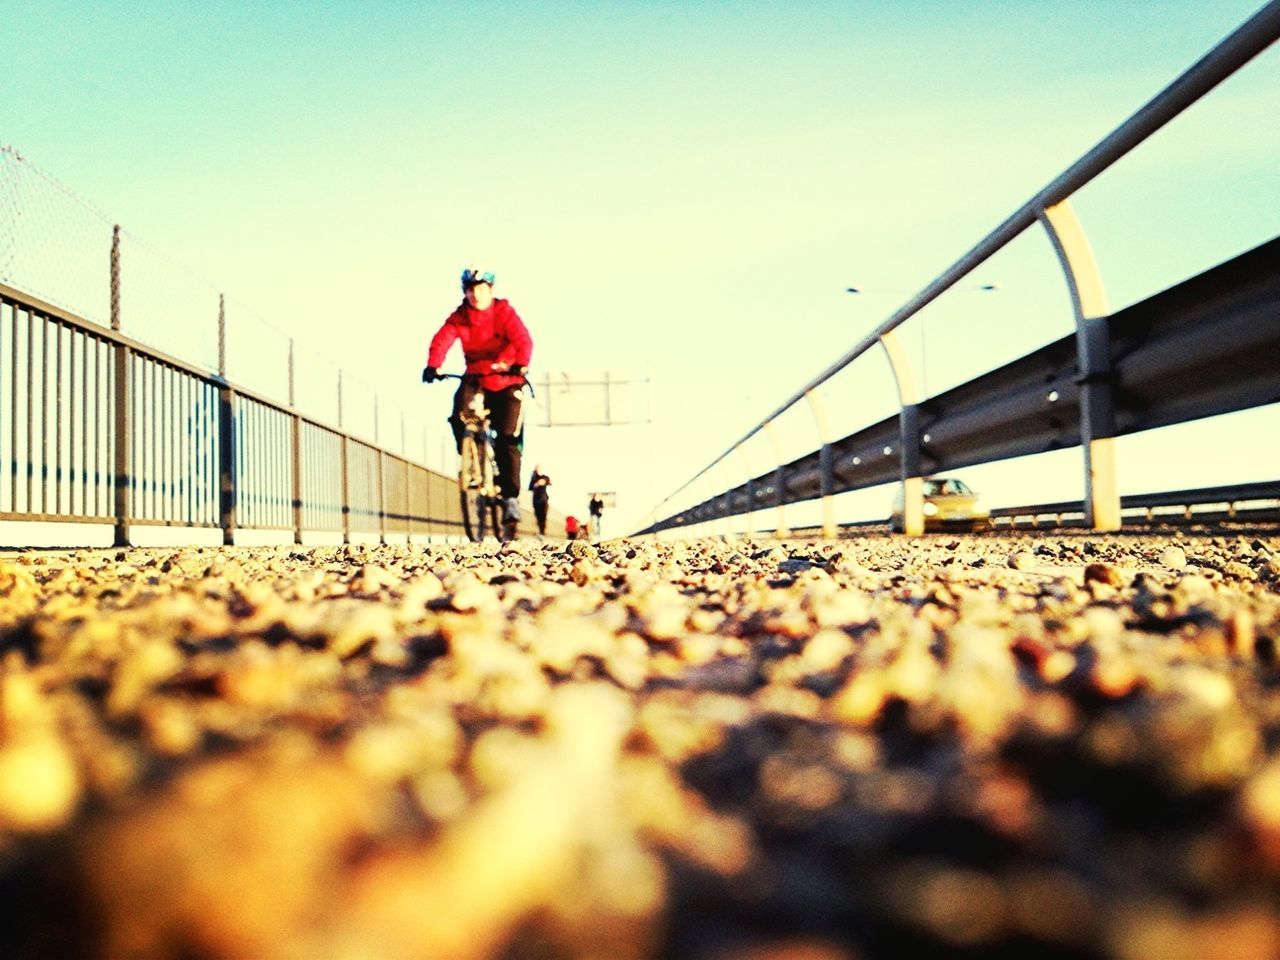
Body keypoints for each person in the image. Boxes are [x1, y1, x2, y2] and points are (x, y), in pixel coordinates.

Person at [423, 266, 533, 530]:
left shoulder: (504, 312)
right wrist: (432, 365)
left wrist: (521, 363)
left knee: (507, 439)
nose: (475, 295)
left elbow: (523, 340)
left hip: (507, 379)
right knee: (458, 416)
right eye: (471, 290)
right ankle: (471, 458)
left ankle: (509, 499)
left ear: (490, 291)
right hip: (475, 377)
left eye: (480, 289)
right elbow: (442, 340)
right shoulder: (460, 317)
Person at [528, 464, 552, 536]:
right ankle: (540, 531)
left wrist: (544, 481)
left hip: (543, 500)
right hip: (535, 501)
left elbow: (550, 482)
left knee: (543, 516)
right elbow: (530, 488)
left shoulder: (544, 477)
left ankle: (542, 532)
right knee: (538, 517)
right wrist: (536, 483)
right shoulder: (533, 478)